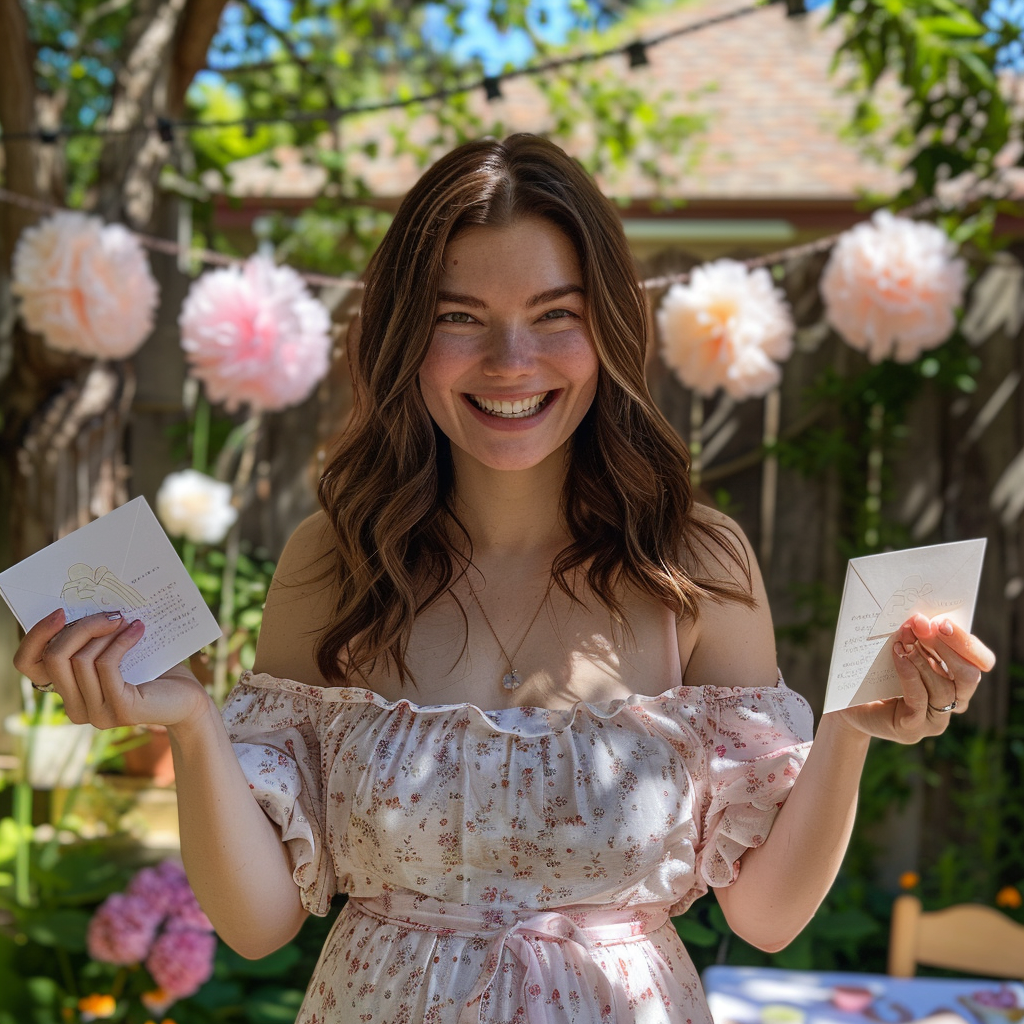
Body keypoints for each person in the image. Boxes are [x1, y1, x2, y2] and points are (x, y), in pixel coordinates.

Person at [15, 134, 995, 1024]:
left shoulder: (696, 565)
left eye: (553, 316)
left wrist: (847, 732)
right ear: (405, 335)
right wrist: (191, 723)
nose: (510, 360)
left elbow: (770, 915)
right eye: (460, 316)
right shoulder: (335, 556)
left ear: (607, 329)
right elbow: (259, 923)